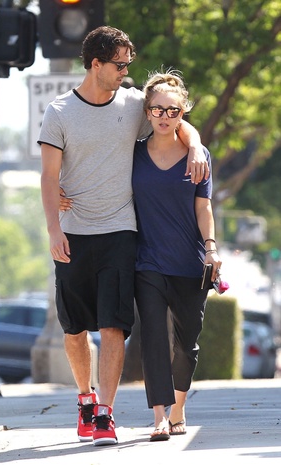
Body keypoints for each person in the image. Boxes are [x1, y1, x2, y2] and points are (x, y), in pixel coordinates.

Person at [39, 25, 209, 447]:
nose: (126, 72)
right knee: (75, 330)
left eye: (128, 65)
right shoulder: (59, 112)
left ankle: (105, 414)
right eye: (119, 65)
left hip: (120, 229)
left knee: (115, 326)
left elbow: (172, 117)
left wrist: (196, 145)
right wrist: (54, 229)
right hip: (74, 233)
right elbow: (48, 177)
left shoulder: (134, 104)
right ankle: (85, 397)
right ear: (96, 64)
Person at [132, 70, 222, 441]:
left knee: (186, 343)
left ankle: (179, 407)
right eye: (157, 109)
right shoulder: (133, 154)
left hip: (189, 262)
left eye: (172, 110)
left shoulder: (198, 157)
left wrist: (212, 249)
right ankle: (158, 417)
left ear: (183, 112)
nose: (164, 117)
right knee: (153, 336)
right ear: (148, 112)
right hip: (146, 261)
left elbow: (204, 208)